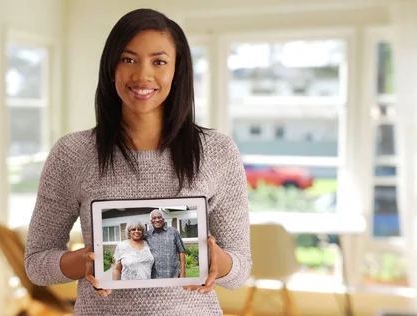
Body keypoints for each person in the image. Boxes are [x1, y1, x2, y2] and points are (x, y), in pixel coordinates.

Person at [24, 8, 251, 315]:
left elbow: (240, 269)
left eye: (159, 61)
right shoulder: (72, 153)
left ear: (177, 70)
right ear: (111, 68)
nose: (143, 75)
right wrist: (85, 262)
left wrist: (218, 262)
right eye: (128, 59)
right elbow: (37, 263)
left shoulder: (217, 151)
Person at [145, 209, 186, 278]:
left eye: (159, 217)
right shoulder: (147, 235)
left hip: (173, 275)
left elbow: (181, 251)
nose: (157, 220)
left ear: (163, 219)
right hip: (154, 277)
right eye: (154, 218)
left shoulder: (173, 232)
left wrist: (183, 272)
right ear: (151, 221)